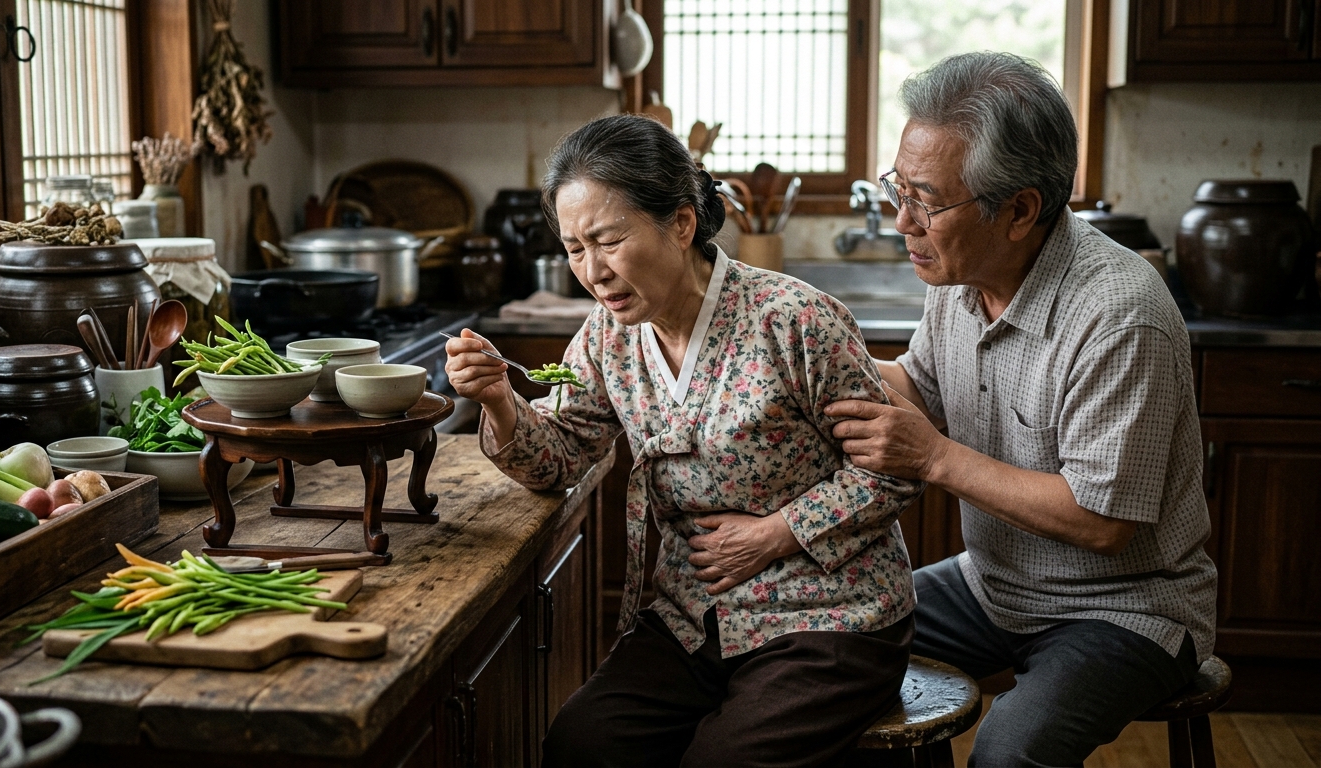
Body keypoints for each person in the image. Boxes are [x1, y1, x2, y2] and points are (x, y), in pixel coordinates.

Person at [445, 113, 922, 768]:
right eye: (574, 248)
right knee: (583, 743)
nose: (593, 270)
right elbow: (558, 456)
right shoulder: (606, 338)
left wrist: (775, 533)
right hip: (694, 615)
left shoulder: (795, 320)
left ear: (680, 222)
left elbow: (896, 470)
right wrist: (499, 399)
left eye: (608, 240)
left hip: (830, 617)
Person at [829, 52, 1218, 767]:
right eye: (898, 189)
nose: (902, 220)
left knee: (1009, 752)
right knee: (826, 654)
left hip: (1125, 607)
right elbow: (920, 386)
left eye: (927, 200)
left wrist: (937, 457)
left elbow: (1102, 522)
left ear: (1020, 210)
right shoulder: (958, 271)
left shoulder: (1119, 313)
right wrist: (811, 350)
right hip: (993, 584)